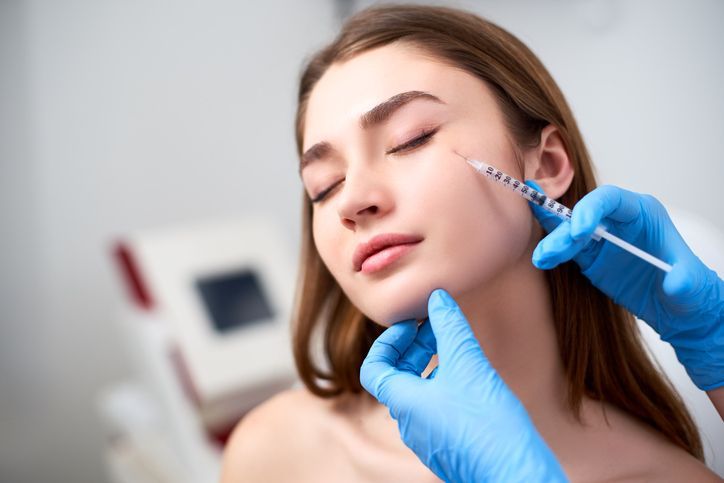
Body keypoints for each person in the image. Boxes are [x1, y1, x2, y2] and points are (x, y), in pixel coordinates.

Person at [221, 5, 721, 482]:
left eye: (410, 139)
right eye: (324, 187)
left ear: (544, 166)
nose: (351, 201)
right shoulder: (277, 453)